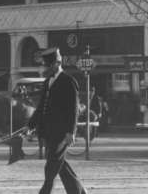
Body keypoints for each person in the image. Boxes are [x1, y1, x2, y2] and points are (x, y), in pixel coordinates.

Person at [27, 48, 87, 194]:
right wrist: (30, 125)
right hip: (48, 131)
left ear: (57, 63)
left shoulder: (68, 81)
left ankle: (45, 191)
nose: (45, 68)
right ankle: (78, 191)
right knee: (59, 164)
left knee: (51, 165)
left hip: (62, 133)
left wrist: (70, 132)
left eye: (48, 65)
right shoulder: (48, 82)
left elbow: (73, 109)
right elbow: (42, 106)